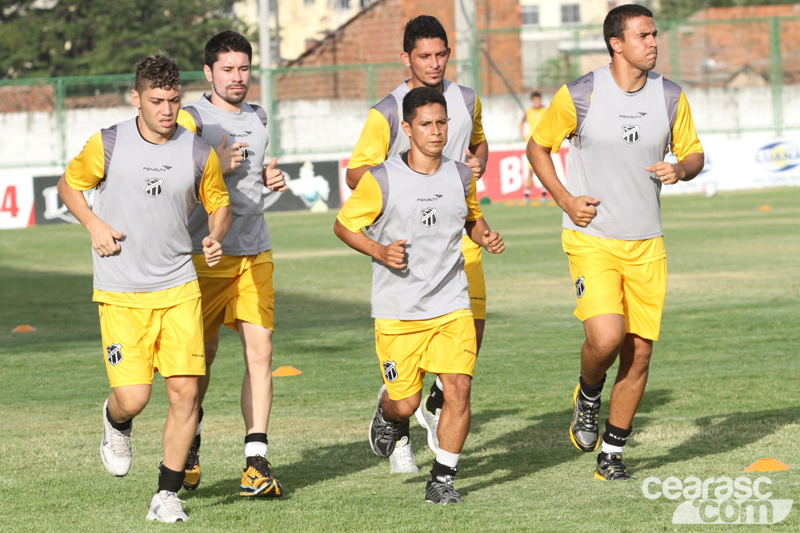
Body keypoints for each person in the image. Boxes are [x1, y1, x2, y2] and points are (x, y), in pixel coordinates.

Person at [527, 4, 704, 481]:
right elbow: (537, 146)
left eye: (654, 35)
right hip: (593, 240)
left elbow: (693, 152)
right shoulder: (580, 94)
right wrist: (565, 199)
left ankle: (612, 452)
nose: (653, 43)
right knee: (606, 337)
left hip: (648, 243)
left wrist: (681, 169)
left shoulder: (669, 95)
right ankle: (588, 393)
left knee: (640, 351)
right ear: (616, 43)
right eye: (643, 35)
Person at [57, 54, 231, 521]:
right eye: (156, 100)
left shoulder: (198, 151)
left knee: (185, 394)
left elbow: (218, 201)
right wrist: (93, 223)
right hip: (120, 290)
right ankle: (115, 421)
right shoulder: (108, 143)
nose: (167, 110)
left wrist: (215, 234)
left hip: (179, 286)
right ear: (136, 98)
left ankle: (166, 494)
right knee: (135, 397)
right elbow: (69, 185)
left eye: (174, 100)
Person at [334, 87, 504, 503]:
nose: (436, 132)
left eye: (442, 123)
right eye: (426, 124)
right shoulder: (382, 179)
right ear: (407, 129)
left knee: (459, 388)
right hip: (398, 312)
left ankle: (442, 480)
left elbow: (471, 218)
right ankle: (388, 415)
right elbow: (343, 225)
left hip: (451, 304)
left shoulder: (461, 174)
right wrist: (379, 250)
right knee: (406, 402)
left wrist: (485, 236)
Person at [346, 14, 489, 472]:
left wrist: (471, 167)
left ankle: (442, 453)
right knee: (406, 391)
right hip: (408, 248)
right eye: (423, 56)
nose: (433, 64)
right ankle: (399, 420)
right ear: (405, 58)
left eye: (440, 54)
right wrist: (400, 184)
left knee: (469, 349)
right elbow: (355, 174)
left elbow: (478, 148)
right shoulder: (388, 111)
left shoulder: (466, 100)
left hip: (458, 241)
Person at [176, 30, 287, 498]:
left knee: (260, 353)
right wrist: (212, 164)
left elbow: (255, 179)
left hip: (255, 253)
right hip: (205, 257)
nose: (238, 77)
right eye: (228, 69)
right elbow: (170, 183)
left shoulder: (259, 116)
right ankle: (190, 443)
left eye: (244, 68)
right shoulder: (191, 119)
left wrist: (269, 178)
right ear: (209, 73)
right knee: (199, 362)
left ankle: (255, 463)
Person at [519, 91, 547, 204]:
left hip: (543, 143)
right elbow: (521, 122)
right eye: (535, 100)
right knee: (531, 170)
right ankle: (526, 195)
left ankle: (544, 194)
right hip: (531, 144)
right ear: (532, 101)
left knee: (545, 170)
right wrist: (522, 134)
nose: (537, 102)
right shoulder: (528, 111)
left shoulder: (546, 110)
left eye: (538, 100)